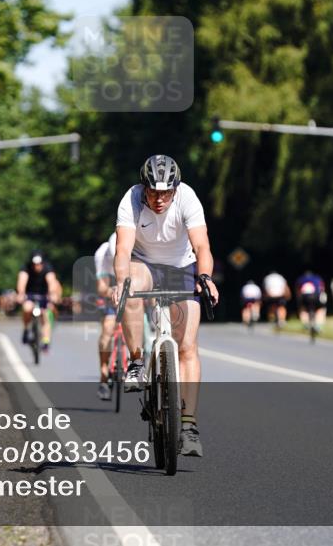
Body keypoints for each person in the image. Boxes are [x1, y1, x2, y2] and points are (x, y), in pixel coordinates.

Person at [109, 155, 219, 457]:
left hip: (181, 266)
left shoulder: (188, 198)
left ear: (175, 189)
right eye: (153, 192)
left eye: (165, 193)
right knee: (129, 285)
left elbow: (201, 245)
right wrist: (120, 280)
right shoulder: (130, 199)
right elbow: (123, 248)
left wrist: (205, 277)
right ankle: (136, 362)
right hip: (144, 263)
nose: (159, 199)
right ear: (143, 187)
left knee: (187, 347)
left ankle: (189, 424)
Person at [16, 251, 62, 352]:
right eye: (35, 264)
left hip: (44, 296)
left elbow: (52, 282)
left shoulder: (47, 268)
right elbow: (22, 281)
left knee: (46, 315)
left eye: (39, 264)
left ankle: (46, 341)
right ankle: (26, 329)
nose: (37, 266)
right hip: (30, 295)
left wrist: (53, 294)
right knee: (27, 309)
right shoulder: (26, 268)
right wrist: (21, 293)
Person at [94, 232, 117, 400]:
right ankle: (104, 372)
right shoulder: (102, 254)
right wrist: (114, 292)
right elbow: (101, 288)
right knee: (108, 329)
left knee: (144, 330)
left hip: (131, 293)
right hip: (111, 294)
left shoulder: (138, 249)